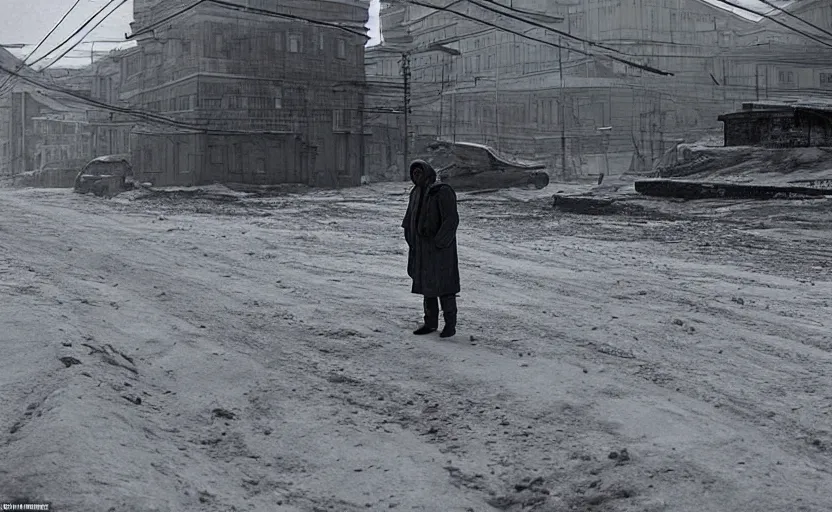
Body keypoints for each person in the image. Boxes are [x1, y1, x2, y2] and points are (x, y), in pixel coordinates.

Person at [401, 159, 460, 338]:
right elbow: (408, 218)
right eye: (414, 173)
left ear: (427, 172)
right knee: (427, 289)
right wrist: (411, 239)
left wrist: (439, 243)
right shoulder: (415, 193)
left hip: (440, 251)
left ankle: (450, 325)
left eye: (419, 172)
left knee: (445, 288)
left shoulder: (441, 191)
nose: (416, 176)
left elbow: (451, 220)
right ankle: (430, 323)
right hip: (421, 249)